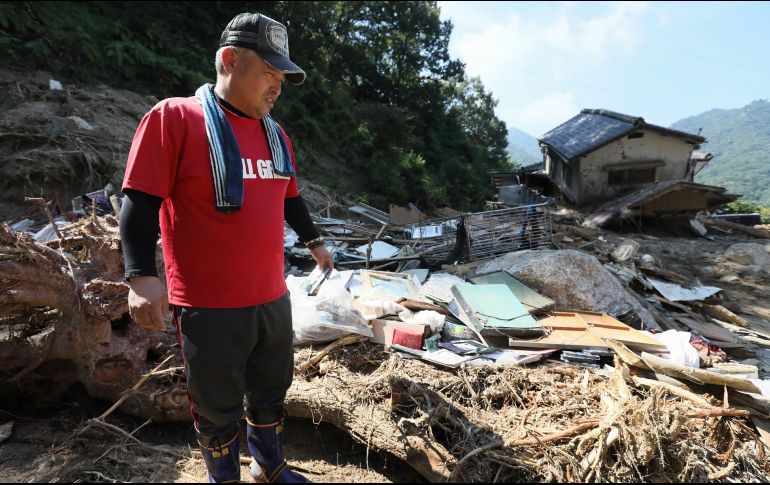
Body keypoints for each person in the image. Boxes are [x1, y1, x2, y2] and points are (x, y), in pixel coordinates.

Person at [119, 12, 332, 483]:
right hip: (208, 304)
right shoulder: (175, 119)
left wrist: (314, 241)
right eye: (269, 72)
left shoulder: (277, 136)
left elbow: (290, 196)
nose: (277, 86)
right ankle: (224, 477)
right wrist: (140, 276)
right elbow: (138, 201)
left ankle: (268, 465)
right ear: (230, 60)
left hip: (271, 295)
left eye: (282, 76)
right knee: (216, 403)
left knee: (271, 389)